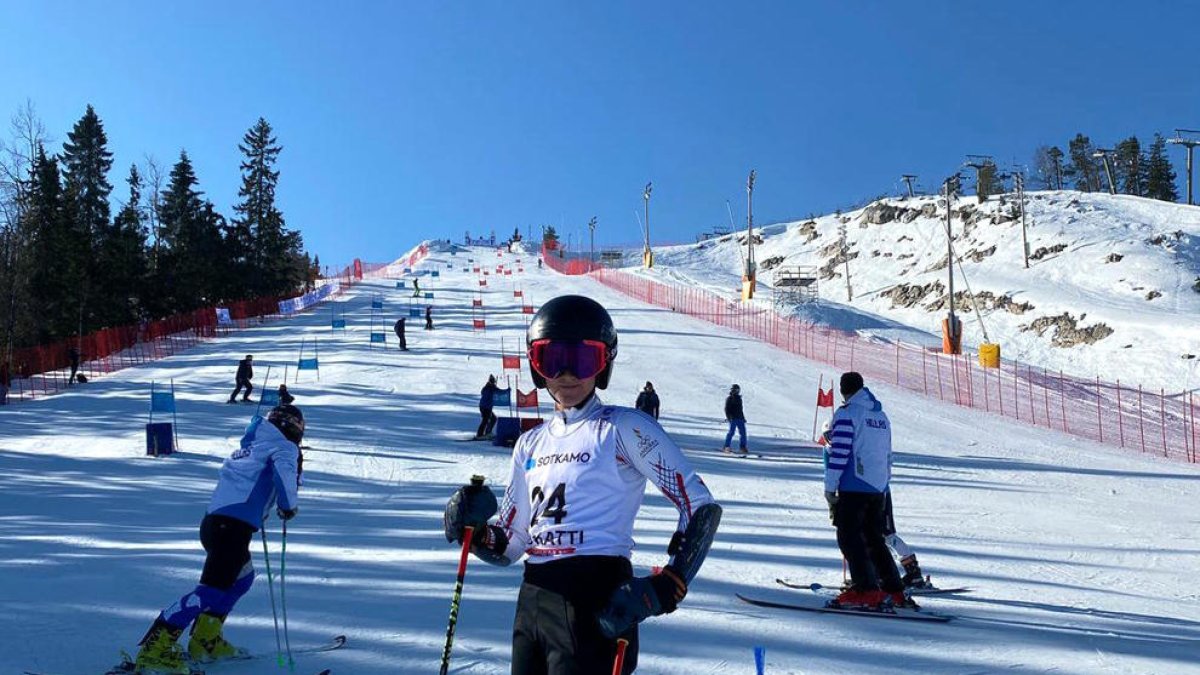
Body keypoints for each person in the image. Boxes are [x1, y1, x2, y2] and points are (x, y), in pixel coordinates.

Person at [443, 295, 722, 674]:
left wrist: (667, 585)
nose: (567, 373)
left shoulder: (623, 428)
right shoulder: (529, 444)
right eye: (552, 359)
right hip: (534, 601)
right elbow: (512, 543)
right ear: (536, 365)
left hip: (598, 597)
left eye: (583, 359)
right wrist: (474, 532)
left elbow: (699, 505)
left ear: (605, 363)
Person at [130, 405, 305, 674]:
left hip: (217, 525)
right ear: (294, 427)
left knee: (241, 579)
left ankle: (205, 640)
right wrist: (288, 505)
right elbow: (284, 473)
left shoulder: (253, 444)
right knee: (210, 591)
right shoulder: (284, 446)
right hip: (231, 528)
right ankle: (155, 649)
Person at [823, 372, 906, 609]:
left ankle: (866, 589)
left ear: (843, 390)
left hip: (854, 484)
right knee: (873, 538)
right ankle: (892, 588)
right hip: (877, 486)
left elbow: (840, 453)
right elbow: (887, 452)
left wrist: (830, 487)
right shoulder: (880, 415)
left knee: (849, 537)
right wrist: (884, 483)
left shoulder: (848, 414)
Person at [821, 420, 926, 590]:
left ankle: (913, 571)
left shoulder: (854, 447)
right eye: (829, 436)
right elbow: (830, 473)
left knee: (885, 534)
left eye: (835, 435)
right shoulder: (828, 451)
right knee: (861, 535)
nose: (833, 439)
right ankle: (872, 575)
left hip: (877, 493)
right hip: (851, 496)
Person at [723, 384, 747, 454]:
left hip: (740, 418)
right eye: (735, 390)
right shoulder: (730, 398)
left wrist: (743, 418)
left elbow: (740, 409)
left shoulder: (739, 398)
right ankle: (726, 446)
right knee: (731, 432)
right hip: (733, 418)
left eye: (737, 390)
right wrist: (729, 417)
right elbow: (727, 409)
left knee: (743, 433)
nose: (736, 391)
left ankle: (743, 447)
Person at [475, 374, 500, 439]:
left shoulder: (491, 388)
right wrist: (494, 389)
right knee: (485, 420)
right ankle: (479, 434)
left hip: (487, 407)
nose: (492, 382)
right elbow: (486, 393)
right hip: (485, 407)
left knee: (493, 419)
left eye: (493, 381)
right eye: (491, 381)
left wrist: (507, 391)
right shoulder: (488, 388)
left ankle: (488, 432)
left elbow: (500, 392)